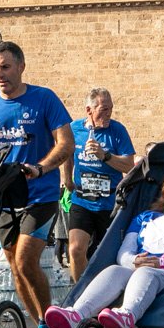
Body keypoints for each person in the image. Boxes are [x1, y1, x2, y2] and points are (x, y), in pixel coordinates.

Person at [0, 41, 73, 328]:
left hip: (41, 193)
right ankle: (40, 323)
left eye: (6, 67)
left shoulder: (44, 98)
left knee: (26, 261)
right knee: (14, 265)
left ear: (21, 67)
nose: (0, 73)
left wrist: (41, 168)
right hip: (3, 197)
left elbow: (66, 143)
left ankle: (50, 324)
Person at [43, 162, 164, 328]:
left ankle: (127, 316)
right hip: (139, 267)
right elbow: (123, 253)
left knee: (147, 273)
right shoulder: (144, 218)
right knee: (114, 270)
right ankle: (76, 314)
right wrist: (133, 261)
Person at [65, 87, 136, 281]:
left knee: (106, 257)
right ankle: (79, 294)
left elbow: (129, 165)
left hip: (109, 203)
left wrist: (104, 156)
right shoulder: (75, 129)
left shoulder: (117, 130)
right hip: (83, 200)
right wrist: (67, 179)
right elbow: (67, 154)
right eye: (103, 109)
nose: (108, 114)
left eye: (110, 109)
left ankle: (103, 296)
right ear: (89, 110)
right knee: (76, 249)